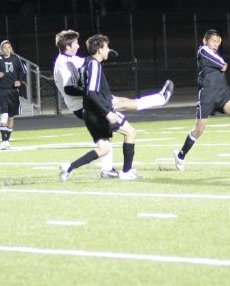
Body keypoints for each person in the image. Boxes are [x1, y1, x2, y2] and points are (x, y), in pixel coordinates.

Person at [53, 29, 173, 177]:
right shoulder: (63, 64)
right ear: (68, 46)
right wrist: (101, 103)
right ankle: (160, 99)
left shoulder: (70, 59)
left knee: (104, 144)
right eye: (76, 43)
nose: (78, 46)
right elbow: (70, 89)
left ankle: (103, 170)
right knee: (128, 118)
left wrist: (107, 52)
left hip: (88, 105)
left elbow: (89, 60)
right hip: (87, 105)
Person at [173, 29, 230, 170]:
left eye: (219, 42)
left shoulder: (211, 53)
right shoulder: (203, 51)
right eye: (214, 41)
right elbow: (223, 65)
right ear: (205, 41)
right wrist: (223, 65)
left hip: (222, 93)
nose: (216, 44)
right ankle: (180, 156)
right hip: (208, 95)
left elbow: (222, 68)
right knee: (198, 130)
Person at [60, 34, 141, 181]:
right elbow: (91, 92)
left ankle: (69, 167)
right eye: (106, 47)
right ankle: (126, 172)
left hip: (88, 113)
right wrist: (107, 113)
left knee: (104, 148)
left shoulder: (86, 63)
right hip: (98, 112)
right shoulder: (94, 65)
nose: (108, 50)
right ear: (99, 49)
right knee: (130, 132)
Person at [0, 40, 26, 150]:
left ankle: (7, 140)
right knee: (4, 114)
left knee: (11, 116)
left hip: (13, 91)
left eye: (9, 47)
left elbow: (23, 72)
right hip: (2, 90)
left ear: (11, 48)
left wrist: (20, 81)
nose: (7, 49)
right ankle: (3, 141)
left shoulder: (16, 58)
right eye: (4, 47)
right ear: (1, 49)